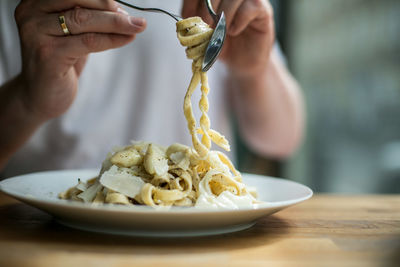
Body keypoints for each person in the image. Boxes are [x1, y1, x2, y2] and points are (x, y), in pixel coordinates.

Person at [0, 0, 304, 178]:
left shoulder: (217, 5)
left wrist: (254, 70)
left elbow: (281, 137)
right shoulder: (22, 9)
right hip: (42, 234)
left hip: (199, 231)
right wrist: (28, 100)